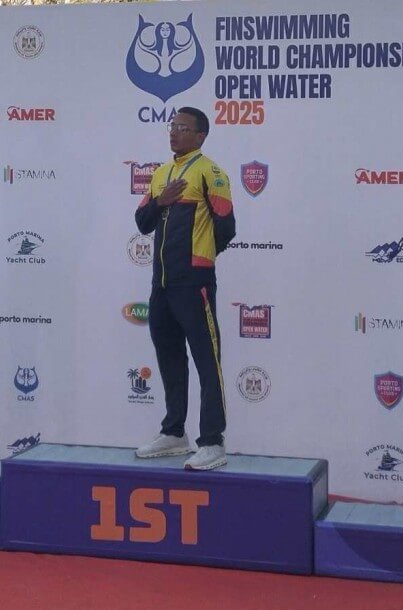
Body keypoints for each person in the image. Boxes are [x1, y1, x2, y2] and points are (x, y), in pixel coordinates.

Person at [134, 106, 235, 471]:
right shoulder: (161, 173)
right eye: (172, 126)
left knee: (207, 361)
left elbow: (226, 227)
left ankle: (213, 441)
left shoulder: (211, 172)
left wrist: (199, 259)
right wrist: (161, 201)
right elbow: (142, 221)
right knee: (170, 357)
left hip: (194, 283)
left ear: (200, 135)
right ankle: (175, 432)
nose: (174, 132)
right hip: (161, 283)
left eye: (182, 127)